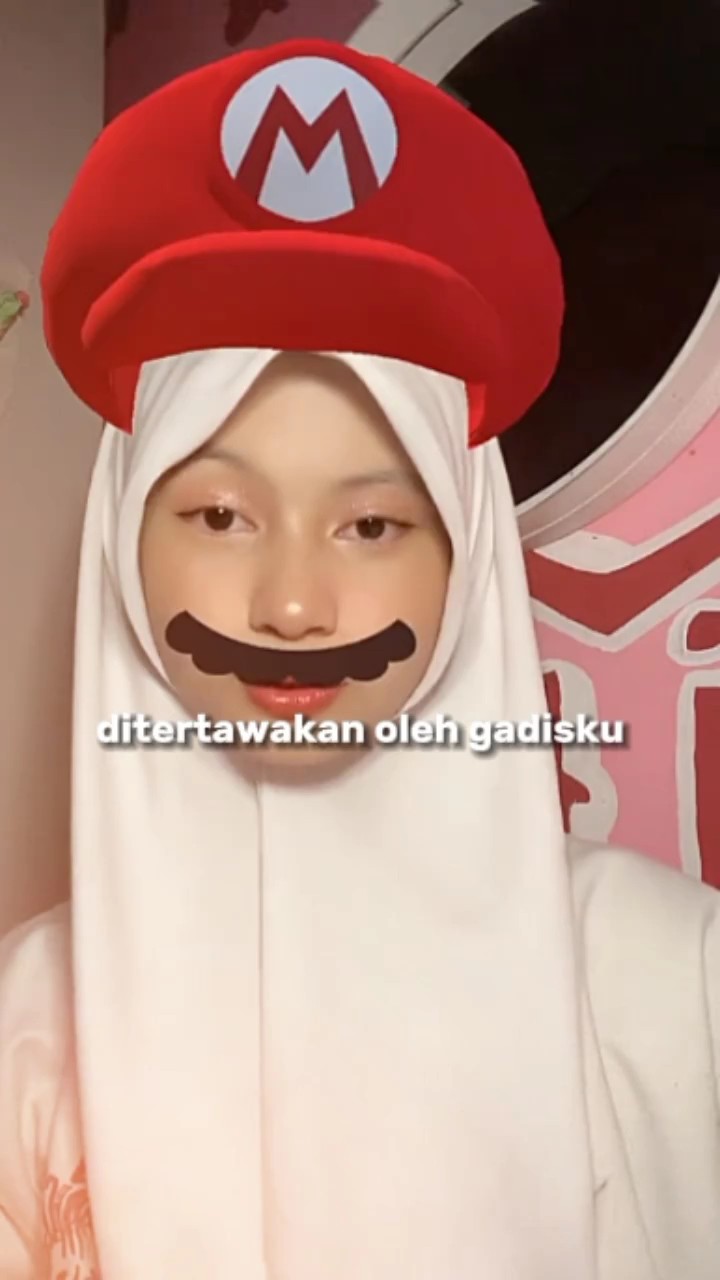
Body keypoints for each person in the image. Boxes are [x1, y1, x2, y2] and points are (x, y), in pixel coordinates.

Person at [0, 36, 718, 1280]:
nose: (292, 604)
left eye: (374, 525)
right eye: (220, 514)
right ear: (124, 544)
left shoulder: (675, 985)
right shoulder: (24, 1032)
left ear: (466, 562)